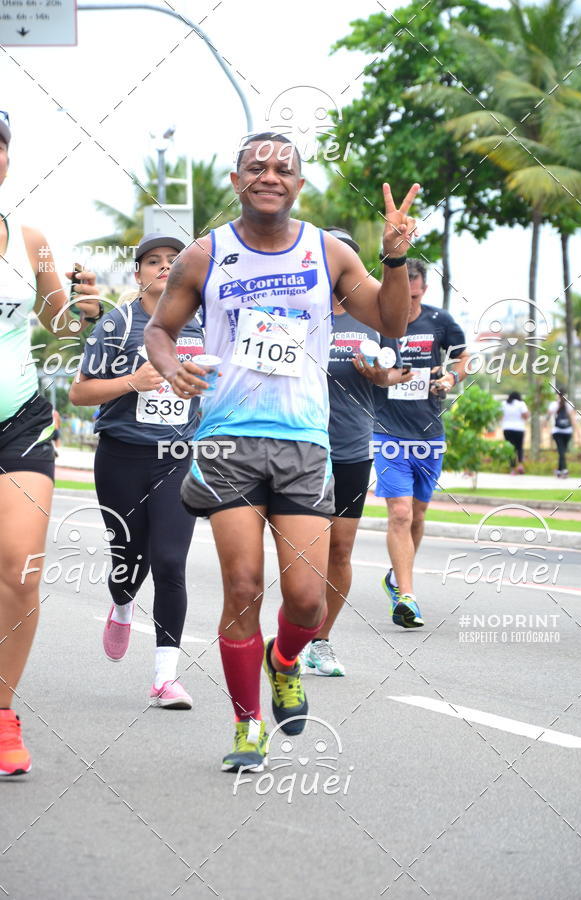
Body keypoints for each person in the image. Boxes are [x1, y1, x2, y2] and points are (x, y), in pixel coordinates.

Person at [145, 131, 419, 772]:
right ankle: (248, 727)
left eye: (283, 169)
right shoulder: (205, 255)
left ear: (299, 184)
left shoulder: (327, 251)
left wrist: (394, 259)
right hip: (227, 441)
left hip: (304, 443)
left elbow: (392, 322)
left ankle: (286, 658)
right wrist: (172, 368)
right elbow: (160, 329)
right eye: (256, 166)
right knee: (242, 585)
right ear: (236, 179)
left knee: (306, 601)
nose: (269, 175)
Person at [0, 111, 102, 775]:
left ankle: (2, 714)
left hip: (21, 420)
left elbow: (57, 325)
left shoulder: (30, 241)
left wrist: (83, 311)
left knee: (19, 569)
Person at [70, 233, 205, 709]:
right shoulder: (118, 324)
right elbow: (78, 393)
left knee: (169, 562)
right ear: (139, 274)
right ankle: (123, 604)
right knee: (129, 562)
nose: (164, 266)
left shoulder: (204, 324)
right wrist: (132, 381)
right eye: (153, 261)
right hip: (121, 457)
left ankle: (165, 678)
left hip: (177, 458)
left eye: (174, 260)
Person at [301, 226, 404, 677]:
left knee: (340, 552)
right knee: (304, 554)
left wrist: (382, 377)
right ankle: (292, 635)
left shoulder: (373, 317)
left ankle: (319, 641)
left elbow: (394, 371)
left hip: (350, 450)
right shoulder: (297, 314)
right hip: (299, 448)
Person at [372, 258, 469, 628]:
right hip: (387, 432)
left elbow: (463, 357)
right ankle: (407, 598)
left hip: (428, 434)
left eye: (413, 297)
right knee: (400, 512)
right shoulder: (377, 321)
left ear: (423, 290)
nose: (407, 304)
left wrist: (449, 379)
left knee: (418, 514)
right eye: (401, 295)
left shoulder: (439, 321)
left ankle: (396, 576)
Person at [547, 389, 574, 478]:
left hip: (557, 431)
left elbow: (548, 416)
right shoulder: (569, 404)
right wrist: (577, 432)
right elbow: (573, 419)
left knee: (561, 452)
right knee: (562, 451)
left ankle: (563, 470)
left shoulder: (554, 404)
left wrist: (544, 427)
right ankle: (560, 470)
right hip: (568, 431)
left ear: (557, 395)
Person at [501, 391, 529, 474]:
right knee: (519, 447)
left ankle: (512, 469)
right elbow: (526, 416)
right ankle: (520, 465)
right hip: (519, 428)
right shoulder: (521, 404)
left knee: (510, 449)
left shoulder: (503, 404)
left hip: (507, 428)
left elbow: (500, 415)